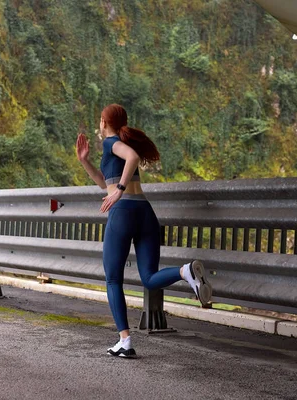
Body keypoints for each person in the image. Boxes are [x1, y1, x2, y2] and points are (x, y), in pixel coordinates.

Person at [76, 104, 212, 358]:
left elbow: (131, 160)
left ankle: (125, 340)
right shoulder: (114, 148)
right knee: (149, 278)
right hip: (145, 213)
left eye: (100, 121)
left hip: (124, 212)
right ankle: (185, 271)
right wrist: (84, 161)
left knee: (113, 279)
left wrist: (120, 190)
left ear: (104, 122)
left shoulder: (111, 143)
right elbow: (104, 183)